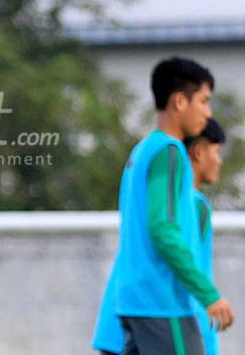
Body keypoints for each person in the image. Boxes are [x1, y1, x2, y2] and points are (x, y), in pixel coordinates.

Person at [91, 57, 234, 355]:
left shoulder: (140, 151)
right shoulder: (170, 152)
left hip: (131, 304)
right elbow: (163, 229)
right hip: (162, 305)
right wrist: (209, 295)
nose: (207, 113)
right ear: (180, 101)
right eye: (204, 102)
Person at [185, 118, 227, 355]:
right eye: (217, 152)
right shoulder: (194, 205)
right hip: (190, 326)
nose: (219, 161)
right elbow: (188, 266)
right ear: (198, 152)